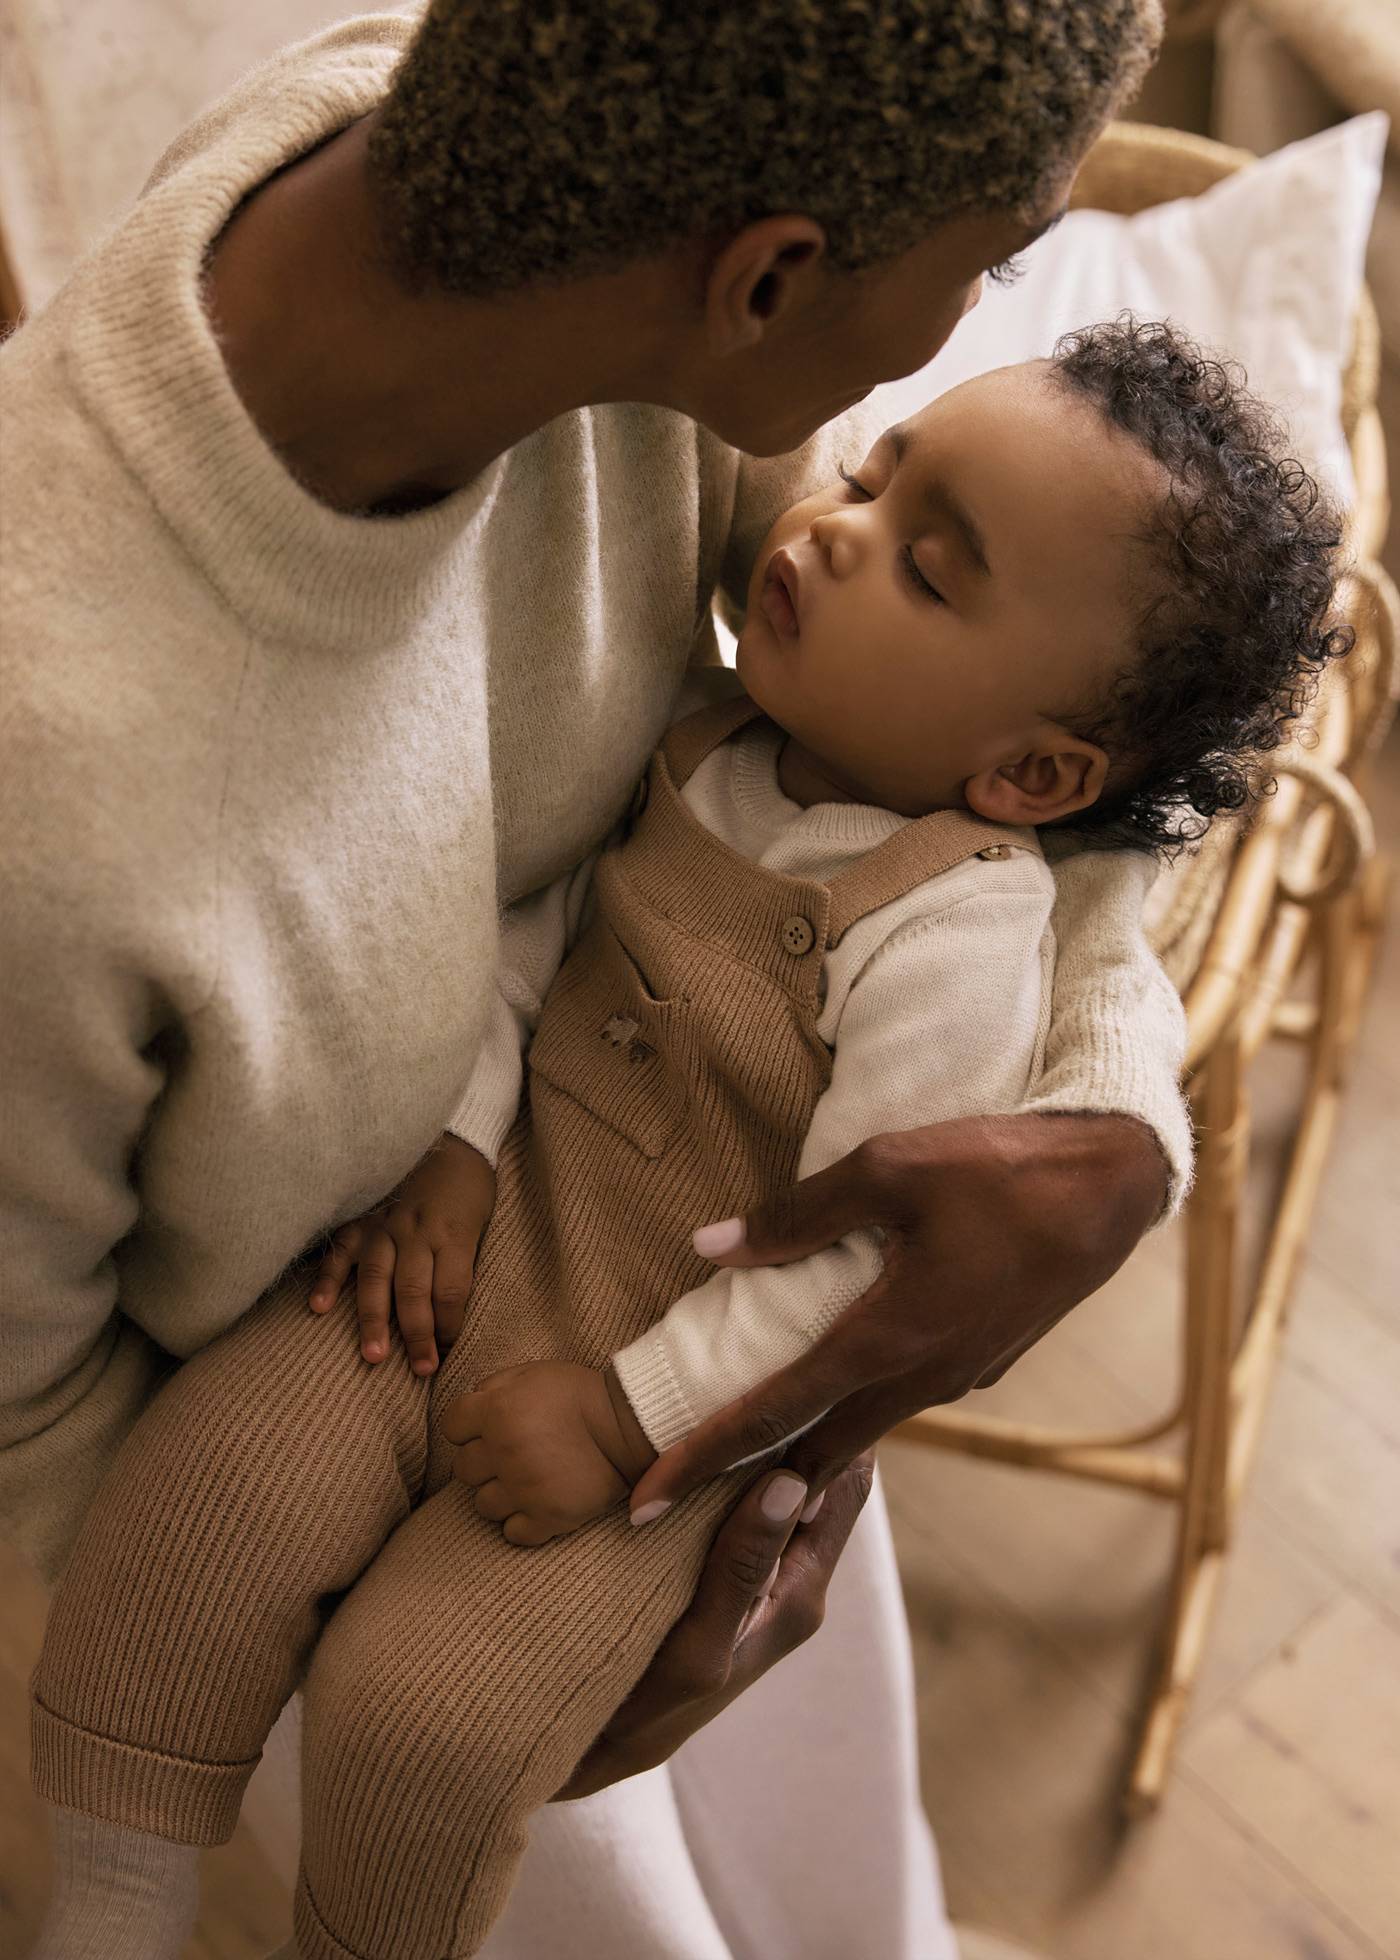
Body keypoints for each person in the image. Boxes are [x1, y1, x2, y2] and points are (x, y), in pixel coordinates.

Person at [1, 4, 1190, 1956]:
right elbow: (29, 1408)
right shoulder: (51, 790)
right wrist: (318, 1643)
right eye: (981, 262)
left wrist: (1092, 1108)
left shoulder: (565, 222)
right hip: (314, 1499)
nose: (969, 323)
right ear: (772, 281)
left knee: (818, 1877)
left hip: (712, 1330)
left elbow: (980, 762)